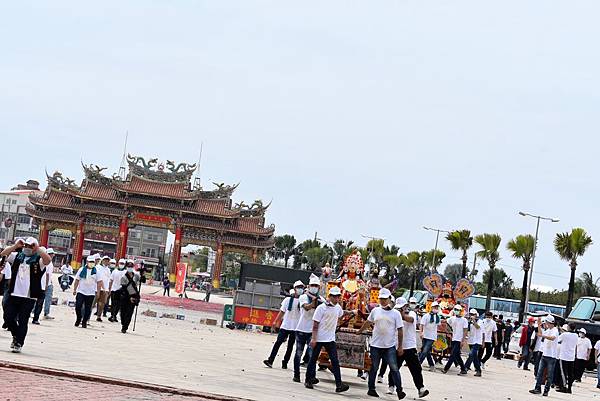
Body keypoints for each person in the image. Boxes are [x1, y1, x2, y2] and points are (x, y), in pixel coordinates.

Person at [0, 237, 52, 353]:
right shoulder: (17, 257)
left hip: (29, 296)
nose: (27, 248)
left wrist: (37, 249)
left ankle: (18, 342)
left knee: (23, 320)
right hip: (13, 293)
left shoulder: (38, 260)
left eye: (30, 246)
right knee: (8, 317)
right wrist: (15, 246)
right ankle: (16, 335)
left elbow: (48, 260)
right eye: (26, 246)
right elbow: (3, 254)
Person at [358, 288, 405, 399]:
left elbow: (400, 330)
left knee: (394, 368)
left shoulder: (396, 314)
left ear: (389, 299)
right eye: (381, 299)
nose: (383, 301)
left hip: (389, 346)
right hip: (375, 345)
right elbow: (368, 322)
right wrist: (360, 331)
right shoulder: (375, 311)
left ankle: (399, 390)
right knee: (374, 367)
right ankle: (371, 389)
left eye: (385, 299)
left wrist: (400, 346)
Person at [304, 286, 351, 393]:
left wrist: (351, 312)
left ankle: (339, 384)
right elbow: (315, 325)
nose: (336, 298)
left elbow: (341, 313)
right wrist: (314, 338)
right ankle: (308, 380)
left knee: (335, 361)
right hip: (319, 338)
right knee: (312, 359)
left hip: (330, 339)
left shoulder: (338, 307)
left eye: (337, 297)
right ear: (329, 296)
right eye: (334, 296)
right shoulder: (321, 308)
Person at [391, 297, 428, 398]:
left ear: (406, 307)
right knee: (394, 368)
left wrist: (401, 315)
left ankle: (421, 388)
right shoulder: (393, 314)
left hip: (410, 346)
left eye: (402, 308)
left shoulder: (412, 314)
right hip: (397, 345)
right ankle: (391, 386)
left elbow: (411, 320)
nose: (400, 310)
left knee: (416, 368)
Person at [263, 280, 305, 369]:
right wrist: (275, 322)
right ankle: (270, 360)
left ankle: (285, 362)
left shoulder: (303, 301)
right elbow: (282, 312)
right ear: (294, 289)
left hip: (296, 327)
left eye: (301, 287)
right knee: (278, 342)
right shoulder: (287, 300)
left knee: (290, 346)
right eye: (298, 287)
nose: (300, 289)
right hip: (286, 325)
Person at [292, 275, 323, 383]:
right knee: (298, 353)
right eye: (312, 285)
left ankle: (310, 378)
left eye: (316, 286)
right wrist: (313, 300)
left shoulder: (321, 299)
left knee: (311, 355)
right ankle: (296, 374)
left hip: (312, 332)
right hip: (301, 329)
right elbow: (307, 307)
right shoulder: (303, 297)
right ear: (309, 287)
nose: (314, 287)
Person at [529, 315, 559, 396]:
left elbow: (552, 338)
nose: (545, 324)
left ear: (549, 322)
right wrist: (539, 324)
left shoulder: (555, 330)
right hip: (544, 355)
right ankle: (537, 388)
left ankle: (546, 390)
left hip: (551, 357)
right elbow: (540, 334)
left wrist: (543, 336)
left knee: (549, 375)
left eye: (546, 322)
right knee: (539, 373)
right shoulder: (548, 330)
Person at [73, 255, 102, 328]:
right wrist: (74, 289)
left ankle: (84, 321)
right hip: (81, 291)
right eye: (90, 262)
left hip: (91, 293)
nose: (91, 263)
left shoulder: (96, 271)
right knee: (78, 306)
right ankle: (79, 318)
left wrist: (98, 292)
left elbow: (99, 282)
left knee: (88, 309)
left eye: (92, 262)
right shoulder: (81, 269)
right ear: (87, 262)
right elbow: (77, 280)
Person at [32, 247, 56, 324]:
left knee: (39, 302)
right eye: (50, 254)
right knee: (36, 302)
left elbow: (48, 275)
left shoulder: (47, 262)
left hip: (44, 285)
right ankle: (34, 315)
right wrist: (46, 285)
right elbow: (47, 275)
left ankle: (36, 317)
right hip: (41, 285)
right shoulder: (41, 261)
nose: (52, 255)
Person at [442, 305, 468, 375]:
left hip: (459, 340)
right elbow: (446, 323)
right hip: (453, 338)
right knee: (457, 355)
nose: (457, 311)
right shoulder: (452, 318)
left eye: (458, 310)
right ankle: (463, 369)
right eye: (455, 309)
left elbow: (465, 331)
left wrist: (463, 340)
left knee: (452, 355)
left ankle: (446, 369)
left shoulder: (464, 320)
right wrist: (448, 331)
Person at [418, 301, 441, 372]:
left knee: (425, 351)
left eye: (437, 307)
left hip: (432, 337)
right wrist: (421, 332)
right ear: (431, 308)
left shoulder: (438, 317)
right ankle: (431, 365)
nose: (436, 308)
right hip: (425, 335)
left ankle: (418, 364)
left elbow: (438, 326)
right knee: (426, 351)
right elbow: (422, 324)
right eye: (434, 307)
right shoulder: (426, 316)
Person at [119, 260, 141, 333]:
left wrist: (143, 273)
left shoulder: (136, 276)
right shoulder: (123, 277)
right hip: (125, 296)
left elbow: (142, 281)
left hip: (134, 295)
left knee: (129, 312)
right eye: (128, 267)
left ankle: (125, 327)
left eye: (131, 267)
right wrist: (130, 297)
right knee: (123, 312)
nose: (130, 268)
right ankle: (123, 323)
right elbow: (124, 288)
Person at [556, 323, 577, 393]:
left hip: (564, 356)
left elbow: (558, 340)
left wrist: (561, 332)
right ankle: (569, 388)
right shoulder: (576, 335)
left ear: (569, 327)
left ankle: (564, 387)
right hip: (571, 356)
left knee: (563, 372)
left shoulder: (565, 335)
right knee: (570, 373)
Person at [463, 308, 483, 377]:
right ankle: (478, 370)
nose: (471, 316)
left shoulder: (480, 321)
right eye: (471, 314)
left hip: (477, 341)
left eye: (473, 314)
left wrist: (474, 321)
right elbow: (467, 330)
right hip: (471, 341)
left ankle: (465, 368)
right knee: (474, 357)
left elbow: (478, 327)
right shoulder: (469, 322)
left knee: (471, 354)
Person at [94, 255, 111, 322]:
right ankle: (87, 316)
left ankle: (99, 316)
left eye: (107, 261)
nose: (106, 262)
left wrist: (108, 289)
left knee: (102, 304)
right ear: (102, 260)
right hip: (96, 288)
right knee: (93, 303)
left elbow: (108, 280)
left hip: (105, 289)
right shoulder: (97, 267)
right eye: (105, 260)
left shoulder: (108, 270)